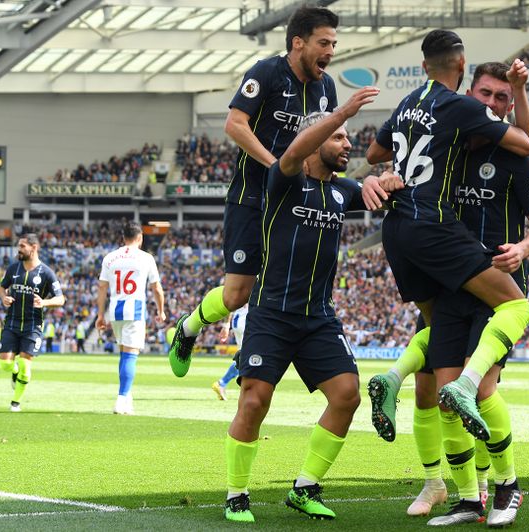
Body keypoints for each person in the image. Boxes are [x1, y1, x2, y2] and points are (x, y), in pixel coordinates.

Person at [368, 60, 529, 526]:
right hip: (451, 280)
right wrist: (385, 179)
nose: (490, 103)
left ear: (507, 106)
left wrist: (523, 249)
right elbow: (396, 165)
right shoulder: (448, 145)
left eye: (500, 98)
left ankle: (508, 488)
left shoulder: (514, 156)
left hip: (496, 280)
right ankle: (469, 500)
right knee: (447, 395)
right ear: (469, 95)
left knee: (481, 389)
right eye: (484, 94)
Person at [222, 86, 387, 523]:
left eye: (348, 137)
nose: (347, 143)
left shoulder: (341, 192)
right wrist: (341, 112)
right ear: (316, 139)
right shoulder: (284, 178)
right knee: (254, 402)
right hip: (271, 313)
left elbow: (374, 188)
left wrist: (376, 179)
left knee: (347, 395)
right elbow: (292, 153)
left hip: (318, 318)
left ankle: (306, 487)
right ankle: (236, 494)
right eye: (338, 137)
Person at [169, 6, 340, 377]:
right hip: (252, 196)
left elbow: (327, 142)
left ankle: (254, 362)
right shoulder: (267, 72)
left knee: (277, 287)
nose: (331, 51)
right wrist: (276, 166)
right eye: (323, 42)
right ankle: (187, 328)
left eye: (334, 43)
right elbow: (235, 124)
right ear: (298, 42)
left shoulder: (326, 87)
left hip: (295, 204)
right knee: (236, 295)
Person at [96, 222, 167, 415]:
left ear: (123, 237)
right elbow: (156, 288)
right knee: (130, 355)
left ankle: (127, 399)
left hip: (115, 312)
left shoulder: (110, 258)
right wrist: (161, 310)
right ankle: (121, 399)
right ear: (140, 237)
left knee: (124, 354)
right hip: (134, 311)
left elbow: (102, 287)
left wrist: (101, 314)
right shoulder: (146, 258)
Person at [0, 234, 66, 412]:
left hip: (33, 326)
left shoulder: (47, 273)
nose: (18, 249)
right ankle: (14, 369)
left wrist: (44, 302)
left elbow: (61, 299)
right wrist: (4, 297)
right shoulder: (13, 269)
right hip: (11, 322)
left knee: (26, 368)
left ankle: (15, 403)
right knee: (5, 364)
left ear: (33, 248)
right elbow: (1, 288)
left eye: (22, 246)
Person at [213, 304, 248, 400]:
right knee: (250, 356)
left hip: (238, 320)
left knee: (245, 356)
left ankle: (222, 383)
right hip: (244, 320)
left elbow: (230, 305)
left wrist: (226, 325)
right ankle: (222, 383)